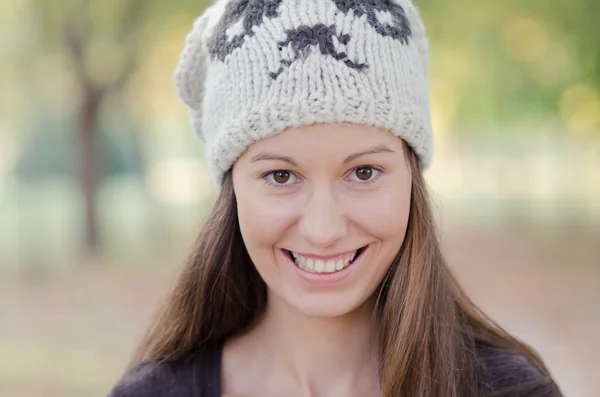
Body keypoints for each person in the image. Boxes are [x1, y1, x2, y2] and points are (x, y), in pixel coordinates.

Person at [108, 0, 562, 396]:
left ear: (411, 180)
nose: (323, 231)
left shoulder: (511, 391)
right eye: (280, 175)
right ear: (233, 191)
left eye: (363, 172)